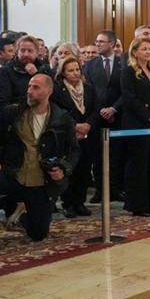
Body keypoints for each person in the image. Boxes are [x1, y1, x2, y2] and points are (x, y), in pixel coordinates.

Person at [0, 74, 79, 254]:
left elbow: (74, 150)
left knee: (38, 234)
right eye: (29, 86)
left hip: (40, 180)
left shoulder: (62, 119)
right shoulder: (13, 112)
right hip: (12, 172)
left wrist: (63, 169)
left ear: (49, 91)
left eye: (36, 87)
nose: (29, 91)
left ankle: (21, 214)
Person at [120, 37, 150, 216]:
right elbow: (129, 99)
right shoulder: (128, 72)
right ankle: (138, 205)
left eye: (149, 49)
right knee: (138, 164)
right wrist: (148, 117)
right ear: (135, 52)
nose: (148, 52)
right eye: (144, 49)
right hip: (137, 123)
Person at [51, 56, 98, 217]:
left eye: (77, 69)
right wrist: (75, 126)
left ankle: (80, 202)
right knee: (70, 169)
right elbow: (57, 111)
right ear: (63, 73)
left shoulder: (88, 87)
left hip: (87, 134)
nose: (75, 73)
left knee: (84, 170)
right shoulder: (58, 89)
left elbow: (96, 108)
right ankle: (68, 204)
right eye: (70, 70)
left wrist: (88, 124)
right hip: (68, 135)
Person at [84, 30, 124, 203]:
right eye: (97, 41)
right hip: (97, 116)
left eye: (101, 41)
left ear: (112, 44)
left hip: (119, 116)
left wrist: (114, 109)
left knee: (116, 155)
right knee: (98, 157)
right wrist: (102, 110)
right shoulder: (90, 65)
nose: (97, 44)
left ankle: (114, 189)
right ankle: (100, 191)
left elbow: (127, 91)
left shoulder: (124, 63)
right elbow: (88, 91)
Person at [0, 35, 41, 108]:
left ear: (37, 53)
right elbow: (3, 103)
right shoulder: (5, 72)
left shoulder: (44, 69)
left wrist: (36, 74)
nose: (26, 54)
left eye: (30, 51)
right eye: (22, 50)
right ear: (17, 52)